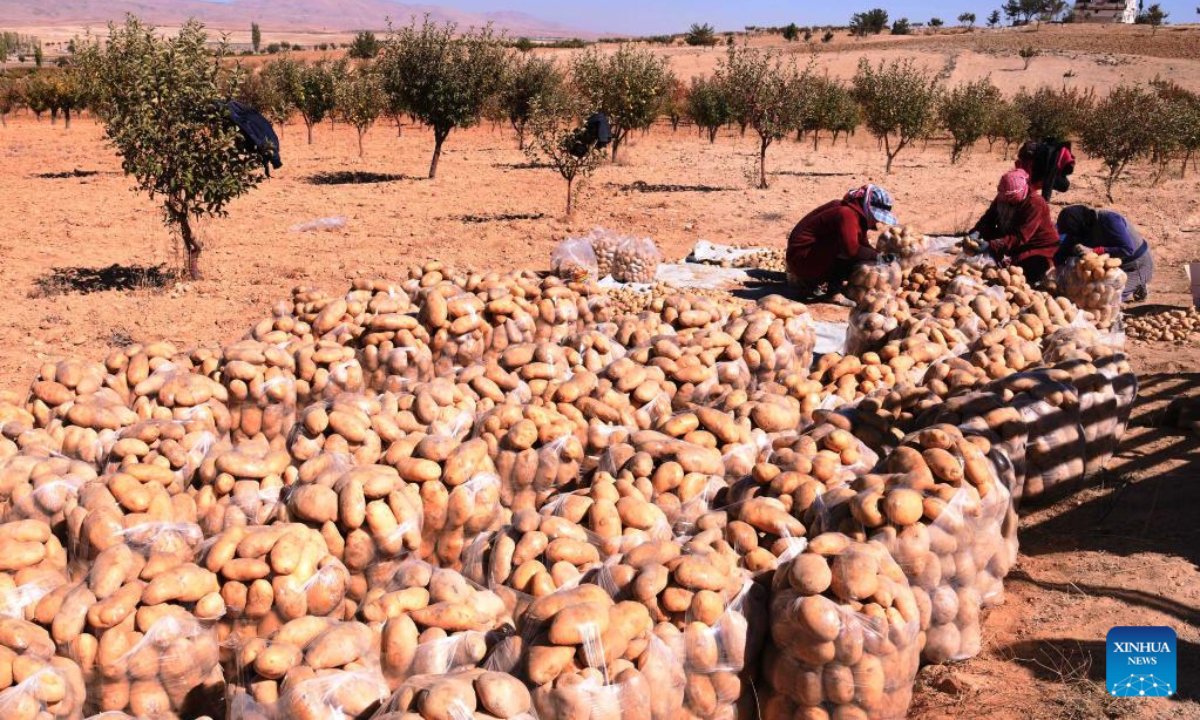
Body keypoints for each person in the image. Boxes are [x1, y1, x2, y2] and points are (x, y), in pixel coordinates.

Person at [785, 184, 897, 304]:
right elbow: (852, 249)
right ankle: (832, 293)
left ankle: (811, 282)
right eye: (876, 216)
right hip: (802, 259)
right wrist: (876, 256)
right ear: (867, 206)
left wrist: (879, 256)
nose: (878, 221)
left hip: (804, 256)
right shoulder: (847, 214)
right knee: (849, 251)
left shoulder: (853, 212)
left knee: (858, 251)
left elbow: (862, 242)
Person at [965, 169, 1059, 285]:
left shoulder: (1036, 204)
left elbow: (1020, 237)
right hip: (1011, 237)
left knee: (1031, 270)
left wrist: (991, 245)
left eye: (1011, 197)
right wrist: (976, 232)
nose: (1007, 201)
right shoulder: (1004, 195)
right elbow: (989, 217)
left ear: (1021, 191)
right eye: (1005, 197)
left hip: (1036, 246)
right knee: (985, 233)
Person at [1056, 205, 1154, 301]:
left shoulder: (1109, 220)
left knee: (1105, 299)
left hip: (1135, 265)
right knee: (1087, 293)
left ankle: (1139, 284)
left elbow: (1127, 249)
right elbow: (1062, 252)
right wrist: (1059, 273)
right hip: (1111, 267)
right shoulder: (1081, 228)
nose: (1073, 236)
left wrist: (1093, 251)